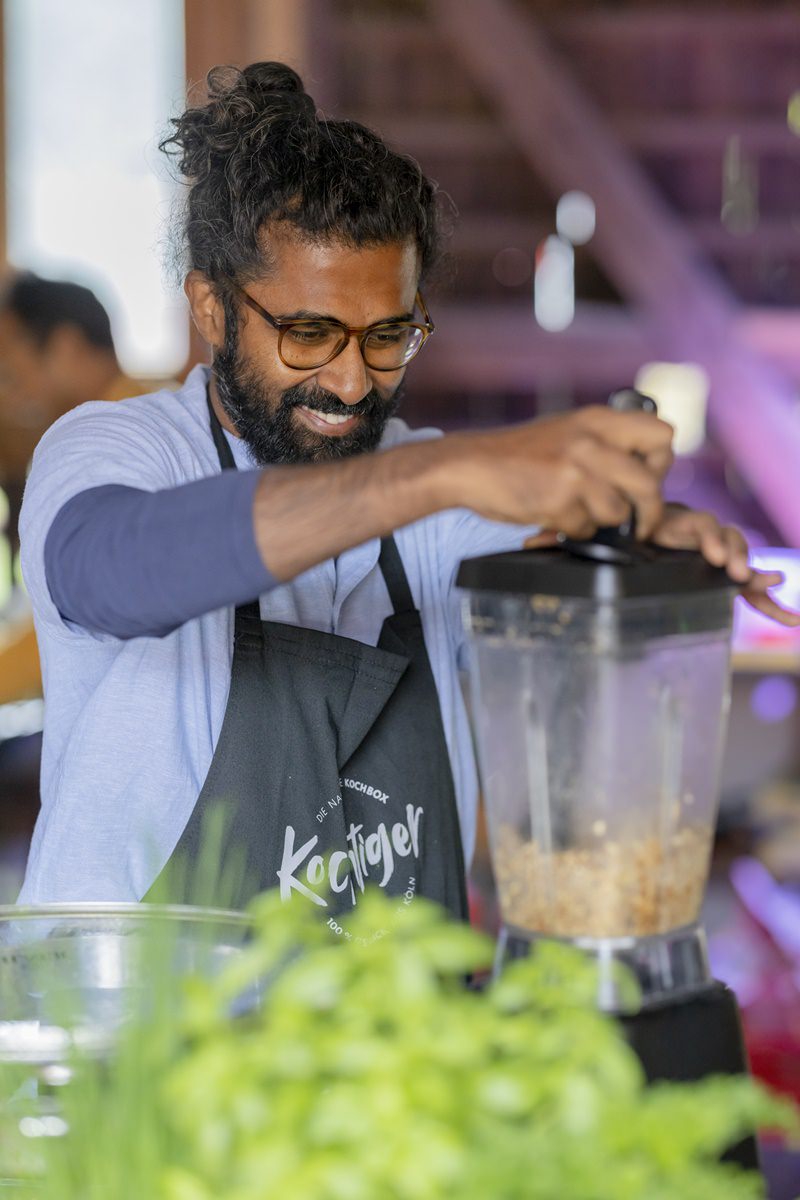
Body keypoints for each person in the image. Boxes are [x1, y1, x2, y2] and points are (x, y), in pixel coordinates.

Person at [15, 63, 796, 920]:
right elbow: (114, 569)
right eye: (309, 334)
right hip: (158, 1039)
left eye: (389, 335)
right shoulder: (115, 451)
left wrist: (648, 533)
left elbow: (560, 549)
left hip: (402, 1044)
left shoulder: (427, 510)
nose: (352, 383)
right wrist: (436, 471)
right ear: (210, 308)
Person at [0, 274, 150, 705]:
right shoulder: (144, 414)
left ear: (65, 348)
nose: (10, 393)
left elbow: (71, 623)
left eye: (12, 367)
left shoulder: (108, 446)